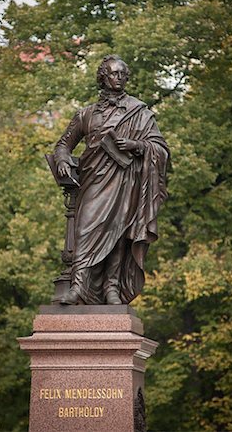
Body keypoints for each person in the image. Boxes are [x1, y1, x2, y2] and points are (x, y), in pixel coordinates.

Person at [54, 55, 169, 305]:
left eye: (123, 74)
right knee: (84, 229)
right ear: (103, 77)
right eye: (114, 74)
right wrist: (62, 159)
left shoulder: (139, 111)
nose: (119, 78)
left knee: (118, 234)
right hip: (93, 181)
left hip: (125, 181)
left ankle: (112, 289)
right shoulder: (85, 115)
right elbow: (63, 144)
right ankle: (77, 286)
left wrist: (136, 145)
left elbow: (160, 148)